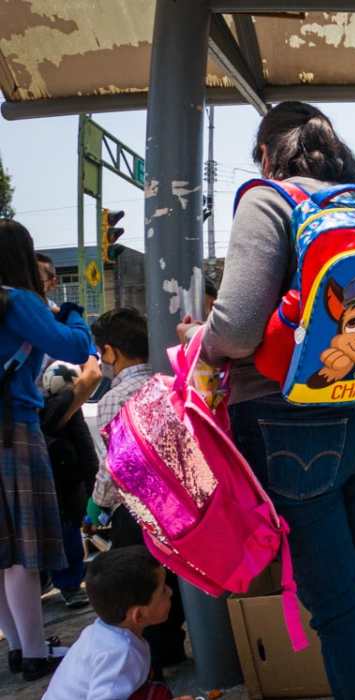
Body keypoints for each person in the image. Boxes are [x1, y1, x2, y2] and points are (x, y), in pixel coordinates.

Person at [182, 101, 355, 699]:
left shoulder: (269, 198)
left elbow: (234, 330)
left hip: (290, 428)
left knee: (338, 605)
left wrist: (194, 337)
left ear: (267, 152)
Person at [0, 219, 95, 681]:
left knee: (1, 550)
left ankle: (19, 648)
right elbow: (74, 346)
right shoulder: (16, 300)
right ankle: (37, 654)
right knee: (23, 548)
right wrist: (73, 312)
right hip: (13, 430)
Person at [88, 306, 188, 677]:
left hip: (136, 509)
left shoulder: (113, 399)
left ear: (111, 352)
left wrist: (97, 503)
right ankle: (174, 645)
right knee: (172, 580)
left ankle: (153, 661)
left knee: (141, 583)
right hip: (178, 504)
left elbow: (113, 466)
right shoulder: (166, 380)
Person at [43, 547, 175, 700]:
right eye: (163, 590)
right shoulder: (120, 654)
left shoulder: (99, 631)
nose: (170, 591)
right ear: (138, 615)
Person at [38, 360, 101, 609]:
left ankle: (64, 584)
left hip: (60, 485)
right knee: (66, 537)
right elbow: (87, 454)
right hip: (63, 485)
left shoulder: (49, 411)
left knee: (62, 537)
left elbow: (86, 452)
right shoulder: (66, 410)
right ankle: (67, 585)